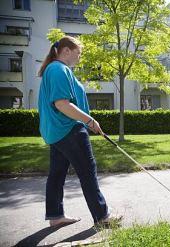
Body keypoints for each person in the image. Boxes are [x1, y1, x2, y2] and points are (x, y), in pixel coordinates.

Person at [38, 36, 119, 227]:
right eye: (78, 53)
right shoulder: (59, 69)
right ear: (66, 50)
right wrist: (90, 120)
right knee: (87, 172)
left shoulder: (54, 69)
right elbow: (61, 104)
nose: (79, 58)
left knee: (57, 174)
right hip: (69, 129)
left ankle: (55, 216)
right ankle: (102, 217)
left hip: (57, 132)